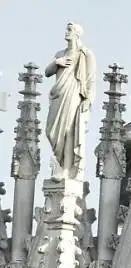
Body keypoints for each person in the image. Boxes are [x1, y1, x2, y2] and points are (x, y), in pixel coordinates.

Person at [44, 22, 96, 181]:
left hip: (74, 94)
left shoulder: (85, 54)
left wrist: (88, 99)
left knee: (68, 130)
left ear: (77, 34)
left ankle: (66, 169)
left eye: (69, 30)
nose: (66, 32)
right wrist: (56, 63)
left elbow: (91, 79)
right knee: (51, 131)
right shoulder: (60, 54)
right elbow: (47, 72)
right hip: (59, 95)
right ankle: (59, 165)